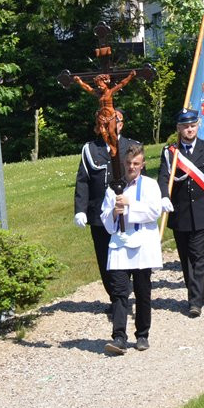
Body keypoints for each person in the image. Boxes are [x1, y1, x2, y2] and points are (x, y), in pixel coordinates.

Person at [158, 109, 204, 318]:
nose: (189, 129)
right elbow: (164, 177)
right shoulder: (171, 152)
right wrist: (164, 196)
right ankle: (193, 292)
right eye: (185, 126)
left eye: (192, 125)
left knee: (199, 258)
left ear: (198, 126)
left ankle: (195, 302)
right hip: (180, 215)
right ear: (179, 129)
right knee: (186, 258)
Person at [73, 108, 140, 312]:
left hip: (127, 213)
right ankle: (116, 299)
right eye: (102, 123)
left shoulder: (132, 146)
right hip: (99, 215)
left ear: (121, 124)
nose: (106, 126)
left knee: (128, 254)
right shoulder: (90, 149)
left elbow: (141, 181)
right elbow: (83, 181)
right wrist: (80, 209)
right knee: (105, 257)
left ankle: (124, 295)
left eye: (111, 122)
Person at [100, 144, 161, 355]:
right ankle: (119, 336)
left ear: (142, 165)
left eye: (136, 163)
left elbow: (154, 212)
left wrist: (129, 204)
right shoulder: (113, 188)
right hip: (120, 245)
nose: (131, 167)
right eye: (128, 163)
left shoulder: (151, 186)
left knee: (143, 291)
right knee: (119, 292)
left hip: (143, 244)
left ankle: (142, 334)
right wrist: (115, 213)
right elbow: (105, 220)